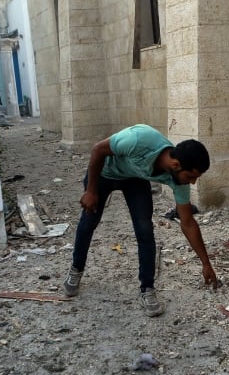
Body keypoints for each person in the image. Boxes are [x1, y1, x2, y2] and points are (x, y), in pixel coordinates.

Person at [62, 124, 219, 317]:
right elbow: (98, 149)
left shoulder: (178, 179)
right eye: (192, 177)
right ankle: (76, 269)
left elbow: (187, 223)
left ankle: (147, 288)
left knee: (145, 230)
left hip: (134, 177)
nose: (193, 182)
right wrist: (91, 191)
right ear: (176, 165)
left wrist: (206, 263)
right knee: (89, 221)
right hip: (103, 173)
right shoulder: (138, 139)